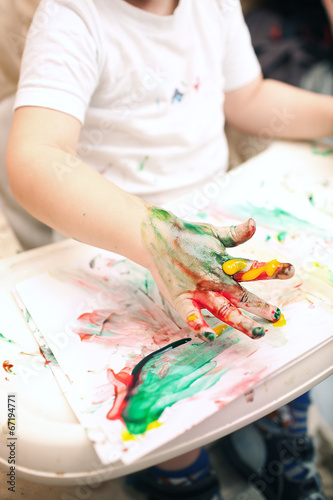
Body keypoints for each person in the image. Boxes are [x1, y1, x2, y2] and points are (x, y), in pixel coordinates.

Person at [5, 0, 333, 499]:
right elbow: (36, 156)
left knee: (287, 322)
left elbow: (247, 98)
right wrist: (153, 234)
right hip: (115, 244)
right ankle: (183, 475)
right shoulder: (73, 15)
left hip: (217, 230)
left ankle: (278, 441)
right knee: (165, 410)